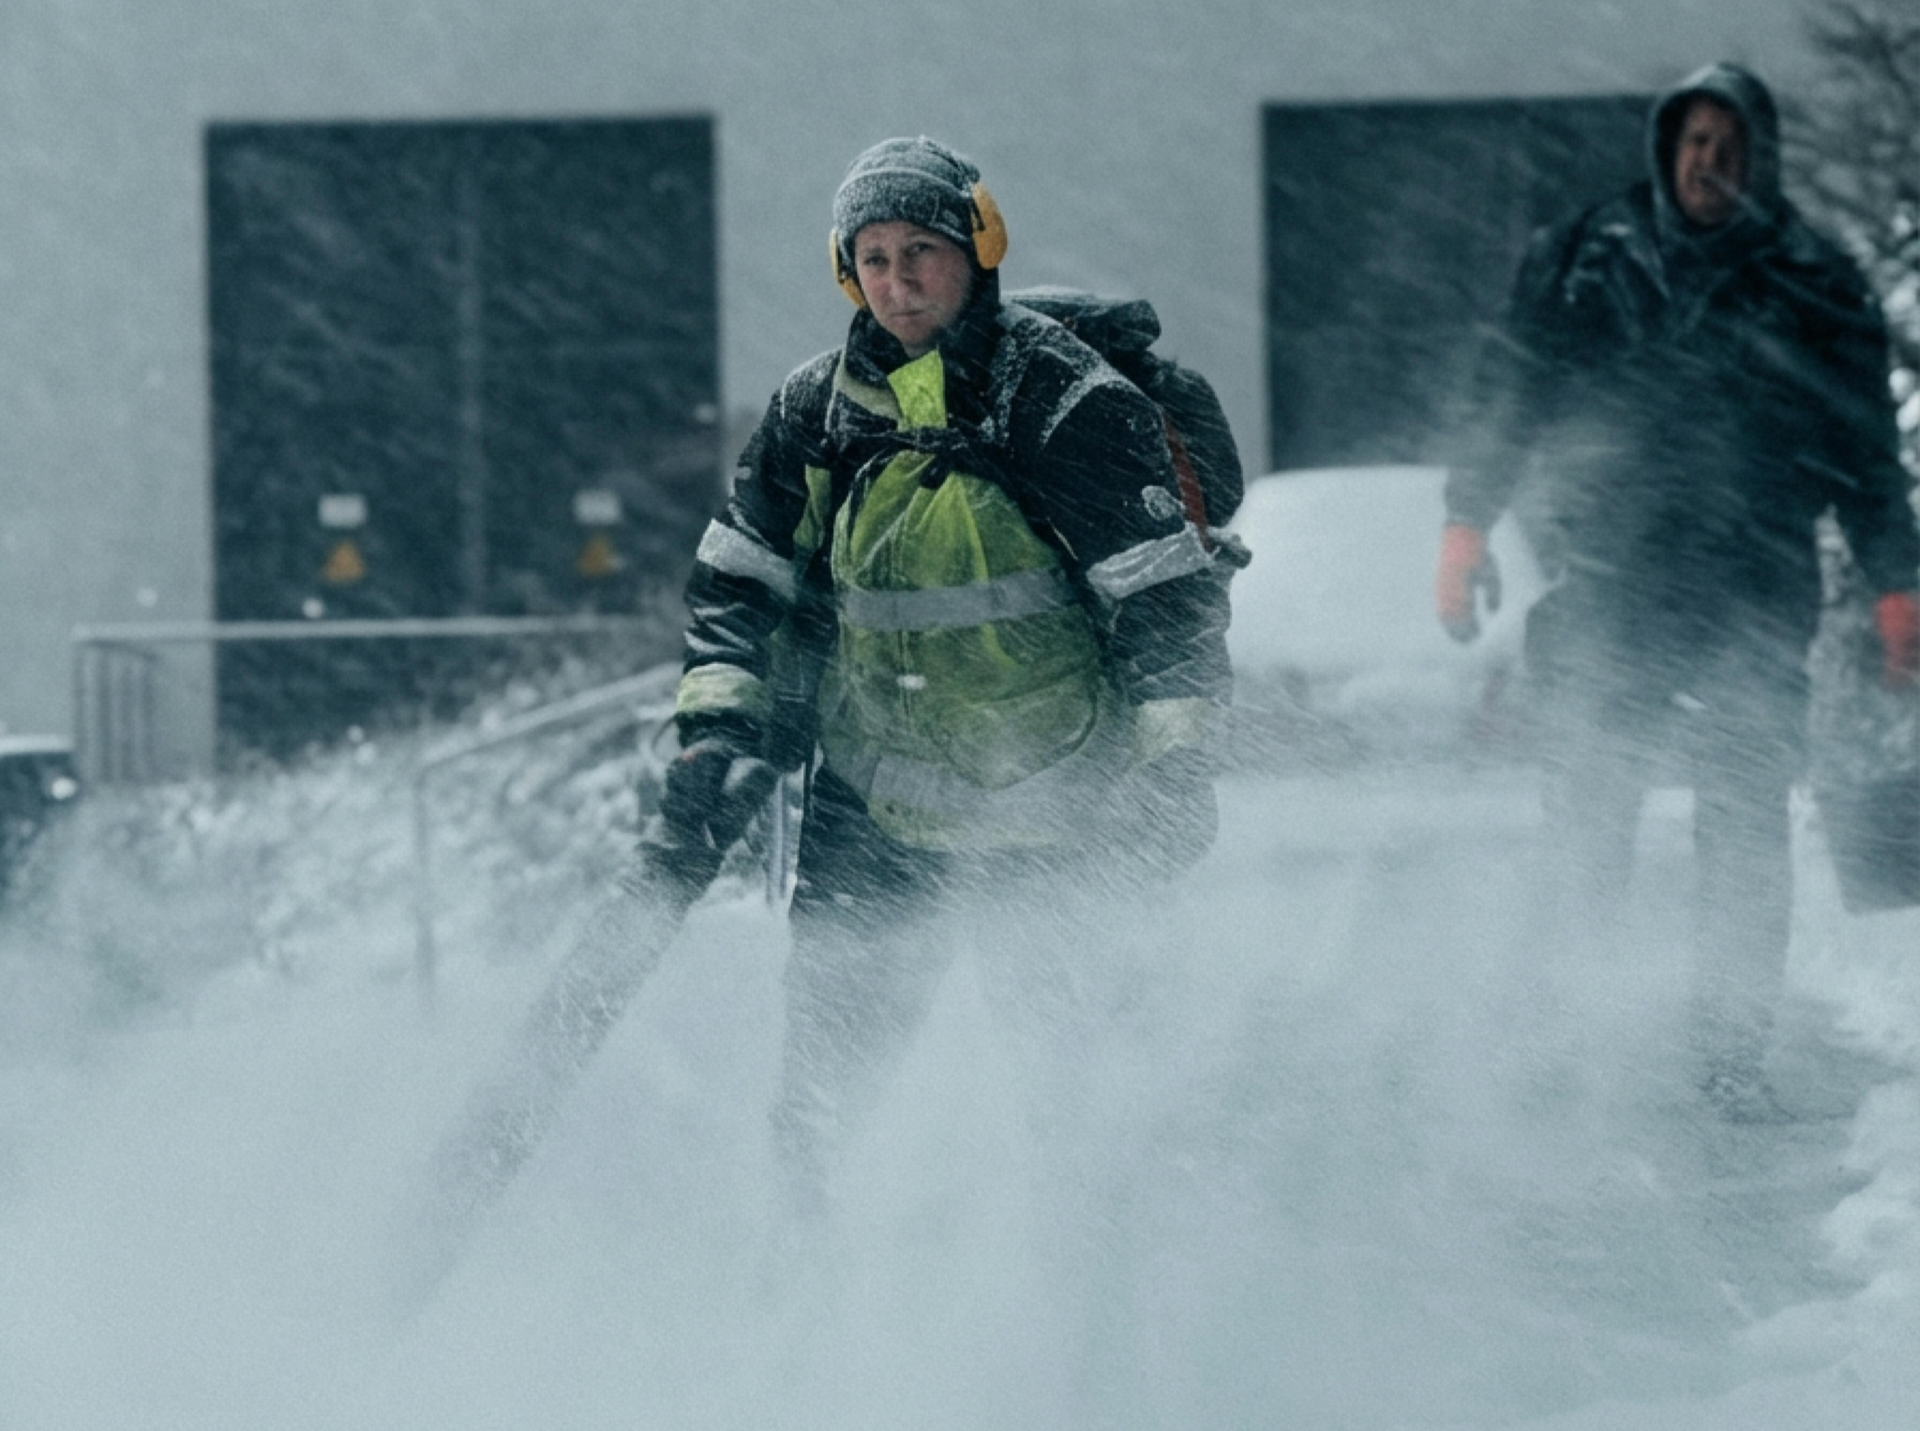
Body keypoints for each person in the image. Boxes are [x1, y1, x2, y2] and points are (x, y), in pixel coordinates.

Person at [655, 136, 1234, 1211]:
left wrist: (1178, 764)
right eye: (871, 258)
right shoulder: (815, 413)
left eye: (922, 249)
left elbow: (1166, 602)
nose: (899, 280)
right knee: (826, 1092)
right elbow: (739, 585)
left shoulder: (1064, 402)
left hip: (1057, 814)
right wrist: (715, 733)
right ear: (847, 273)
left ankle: (1106, 1301)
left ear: (979, 247)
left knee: (1080, 1097)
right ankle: (805, 1291)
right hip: (873, 806)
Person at [1434, 63, 1920, 1119]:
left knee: (1743, 823)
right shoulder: (1581, 264)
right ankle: (1571, 1036)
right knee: (1588, 816)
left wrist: (1897, 584)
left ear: (1762, 157)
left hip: (1755, 588)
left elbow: (1866, 457)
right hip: (1610, 582)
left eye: (1730, 143)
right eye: (1693, 140)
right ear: (1665, 149)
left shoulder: (1815, 284)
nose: (1709, 161)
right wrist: (1466, 523)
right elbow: (1509, 390)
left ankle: (1730, 1059)